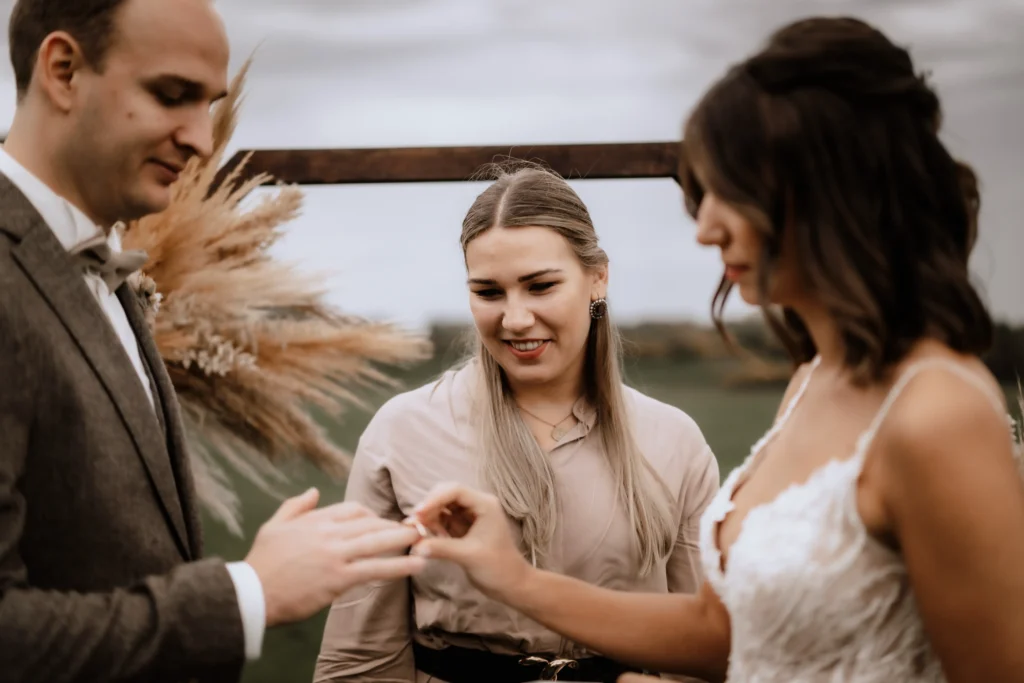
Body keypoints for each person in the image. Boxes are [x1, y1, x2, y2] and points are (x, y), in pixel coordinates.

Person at [407, 17, 1024, 683]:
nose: (702, 228)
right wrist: (515, 580)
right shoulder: (814, 381)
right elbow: (725, 631)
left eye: (726, 192)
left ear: (825, 191)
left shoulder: (940, 413)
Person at [0, 1, 424, 681]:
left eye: (211, 104)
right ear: (63, 70)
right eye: (172, 96)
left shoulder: (97, 257)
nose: (202, 138)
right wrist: (247, 593)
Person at [313, 164, 719, 683]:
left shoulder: (673, 440)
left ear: (598, 277)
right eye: (489, 292)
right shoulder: (404, 430)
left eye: (540, 286)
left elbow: (709, 645)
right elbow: (360, 656)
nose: (515, 318)